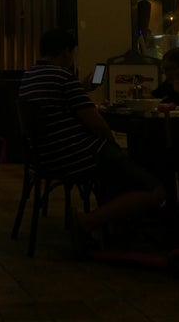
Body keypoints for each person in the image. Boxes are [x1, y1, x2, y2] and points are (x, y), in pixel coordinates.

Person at [18, 28, 166, 257]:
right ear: (66, 52)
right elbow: (98, 126)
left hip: (46, 156)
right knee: (154, 188)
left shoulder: (30, 75)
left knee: (118, 167)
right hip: (76, 155)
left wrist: (81, 88)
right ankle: (88, 222)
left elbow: (57, 102)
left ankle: (118, 227)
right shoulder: (64, 77)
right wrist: (114, 145)